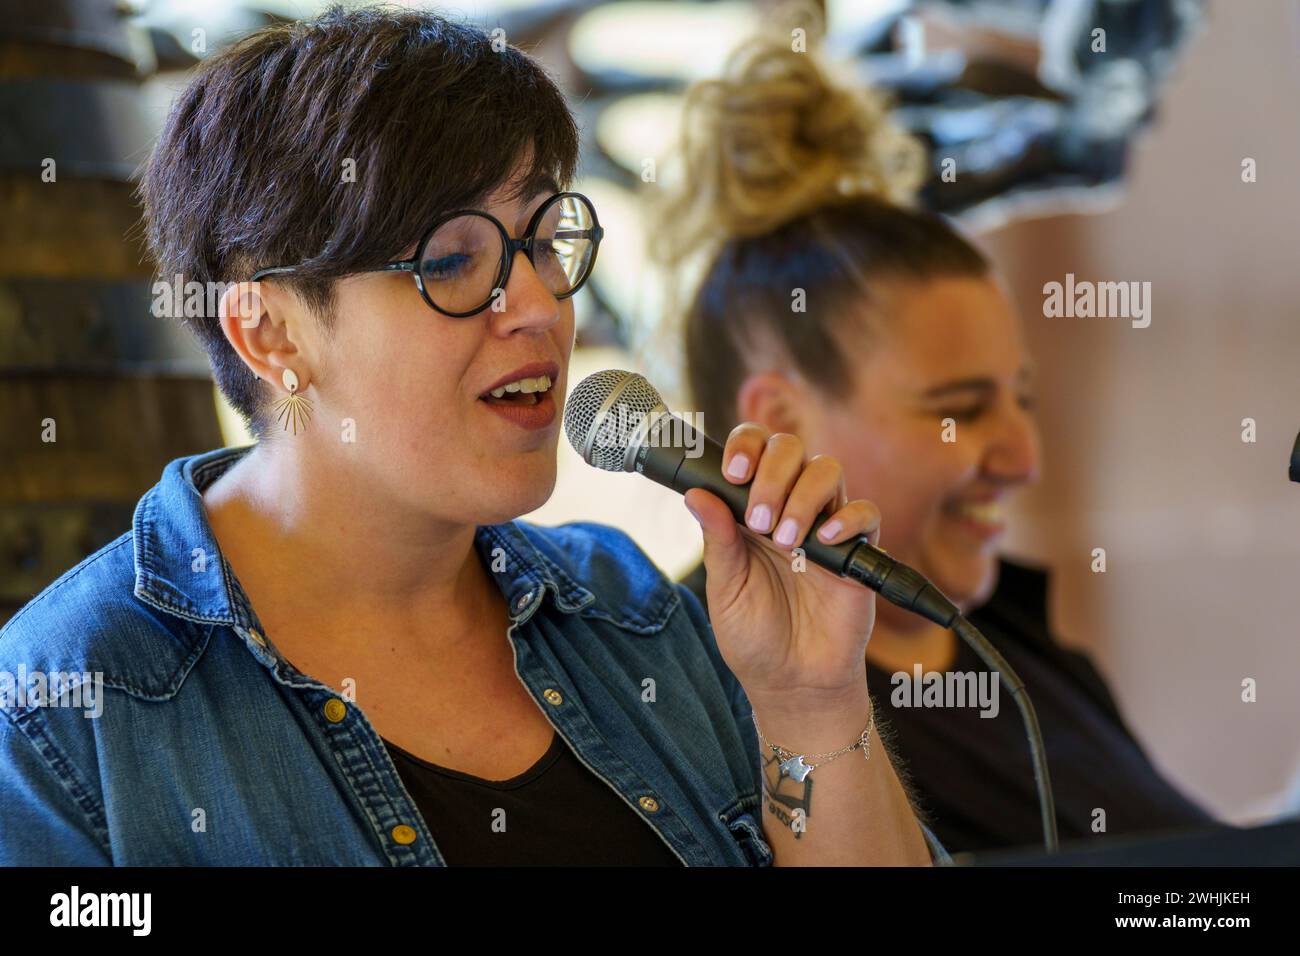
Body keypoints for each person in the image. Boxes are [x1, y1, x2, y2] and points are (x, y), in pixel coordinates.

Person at [0, 5, 942, 867]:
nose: (536, 305)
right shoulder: (70, 707)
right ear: (271, 331)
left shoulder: (628, 612)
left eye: (542, 240)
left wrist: (810, 704)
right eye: (452, 260)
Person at [656, 25, 1217, 854]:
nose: (1023, 459)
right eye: (960, 407)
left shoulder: (1019, 647)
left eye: (1018, 402)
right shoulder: (687, 704)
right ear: (781, 423)